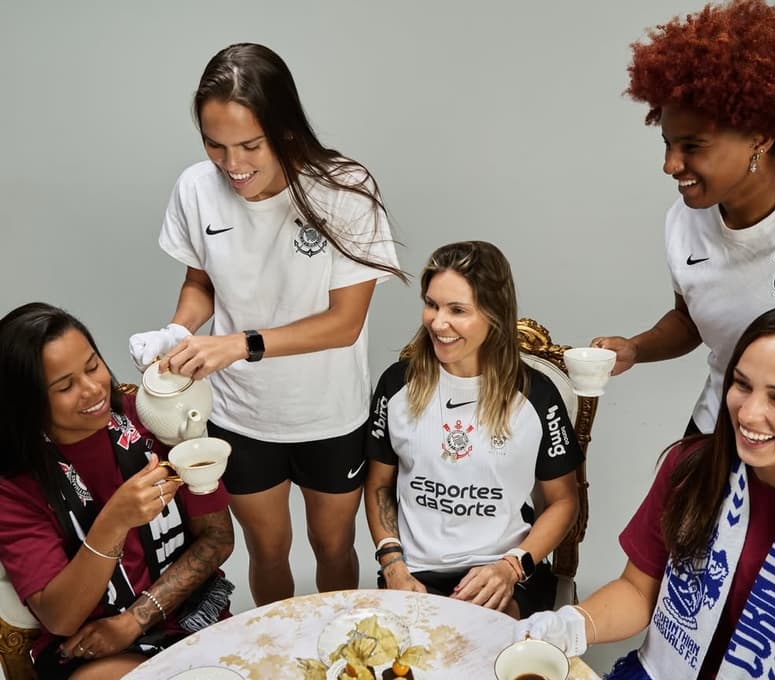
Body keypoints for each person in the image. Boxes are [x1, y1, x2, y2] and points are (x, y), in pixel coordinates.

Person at [128, 43, 404, 606]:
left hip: (329, 411)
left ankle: (339, 652)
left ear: (285, 128)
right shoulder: (195, 188)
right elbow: (201, 283)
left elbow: (343, 323)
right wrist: (176, 333)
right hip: (240, 414)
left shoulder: (344, 188)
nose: (233, 165)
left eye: (251, 145)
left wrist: (239, 344)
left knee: (332, 547)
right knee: (268, 550)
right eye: (215, 145)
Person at [516, 303, 775, 678]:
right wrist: (573, 625)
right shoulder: (693, 466)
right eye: (742, 384)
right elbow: (639, 591)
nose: (748, 413)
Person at [592, 0, 775, 436]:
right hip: (724, 426)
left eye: (692, 146)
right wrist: (636, 348)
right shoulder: (683, 222)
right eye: (668, 144)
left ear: (760, 137)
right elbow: (691, 319)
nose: (670, 165)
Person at [0, 303, 234, 679]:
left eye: (93, 366)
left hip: (186, 617)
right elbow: (60, 617)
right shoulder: (16, 484)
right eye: (65, 386)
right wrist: (113, 521)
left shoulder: (149, 415)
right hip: (91, 647)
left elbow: (218, 538)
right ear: (27, 404)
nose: (93, 389)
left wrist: (133, 620)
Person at [365, 241, 583, 619]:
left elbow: (564, 501)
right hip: (414, 572)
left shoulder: (537, 396)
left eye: (457, 310)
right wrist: (393, 566)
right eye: (431, 304)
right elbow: (380, 485)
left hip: (502, 570)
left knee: (485, 653)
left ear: (494, 314)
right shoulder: (396, 384)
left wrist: (512, 567)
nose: (437, 322)